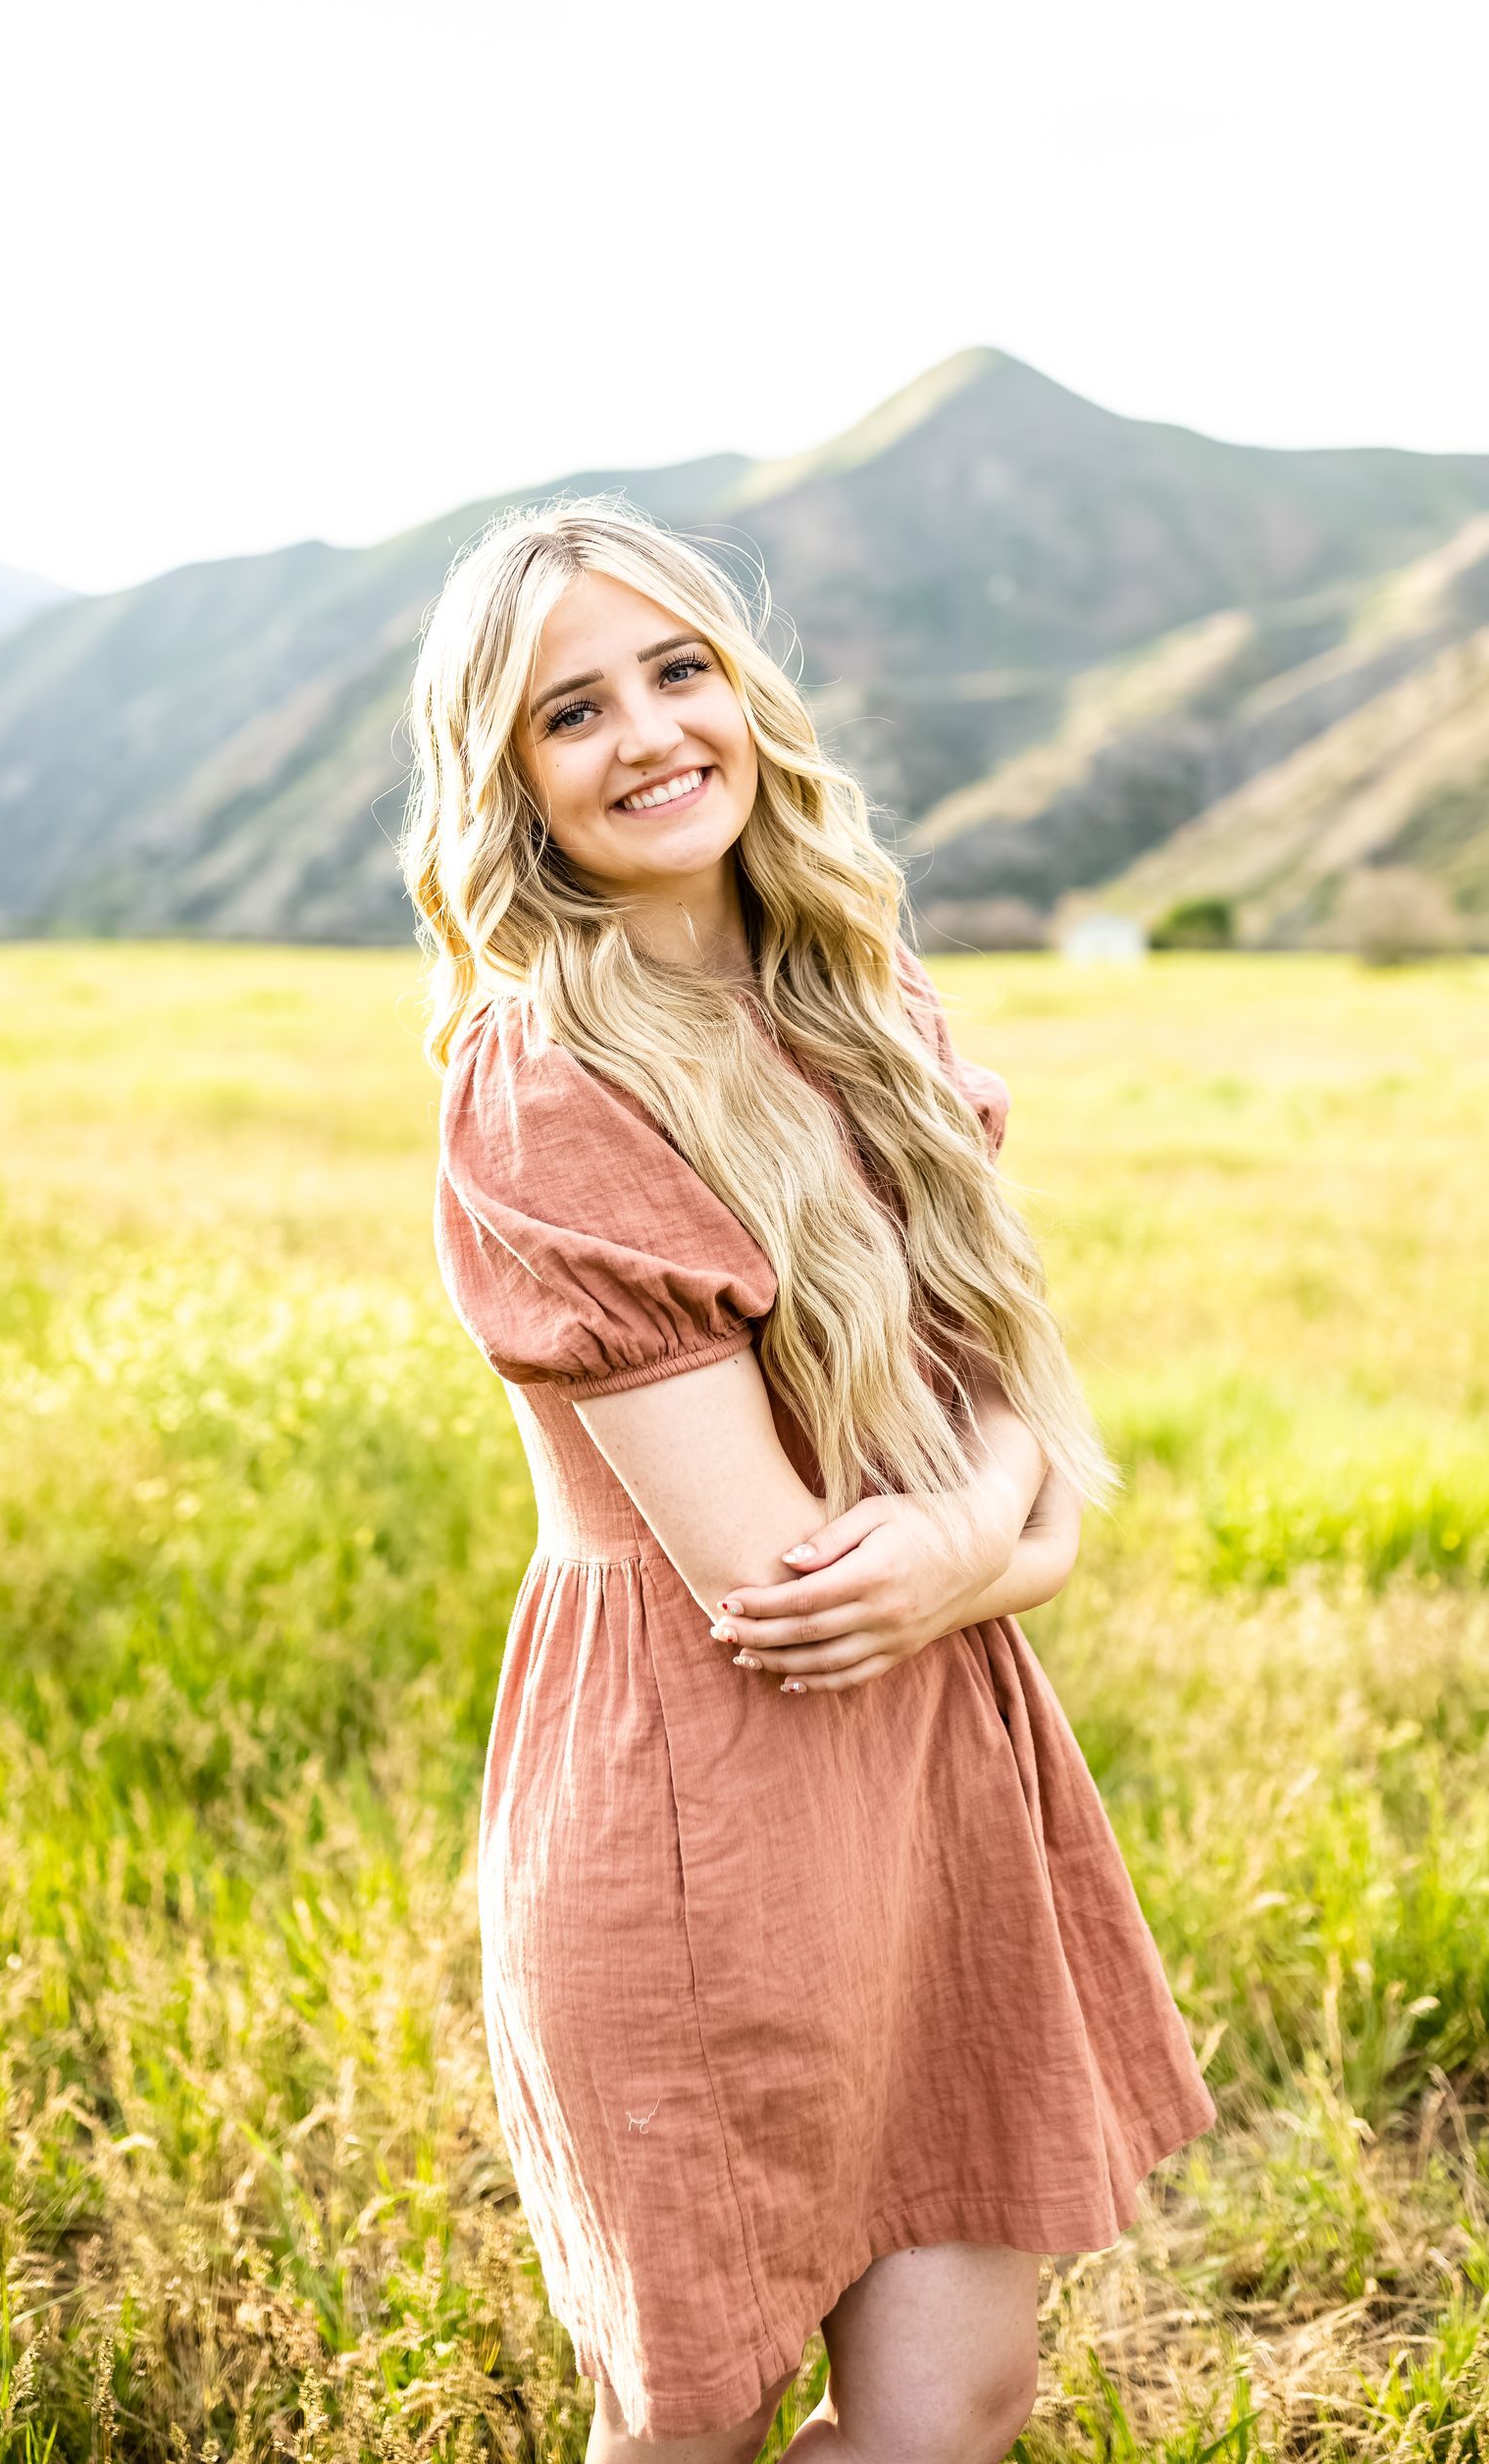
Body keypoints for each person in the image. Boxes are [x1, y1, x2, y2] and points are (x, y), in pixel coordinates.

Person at [402, 501, 1212, 2463]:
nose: (650, 732)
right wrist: (988, 1523)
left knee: (953, 2406)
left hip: (940, 1778)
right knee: (696, 2418)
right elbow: (792, 1582)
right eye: (570, 711)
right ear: (508, 787)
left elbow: (1014, 1419)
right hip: (703, 1793)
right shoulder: (550, 1086)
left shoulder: (864, 1000)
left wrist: (987, 1514)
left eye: (678, 671)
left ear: (746, 695)